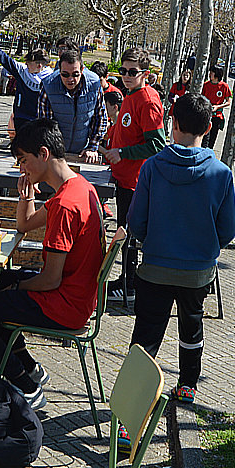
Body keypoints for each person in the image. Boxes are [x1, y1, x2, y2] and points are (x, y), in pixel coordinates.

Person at [0, 119, 105, 409]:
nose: (21, 169)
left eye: (23, 160)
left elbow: (50, 280)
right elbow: (25, 224)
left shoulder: (66, 205)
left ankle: (25, 386)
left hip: (65, 305)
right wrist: (26, 196)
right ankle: (29, 367)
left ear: (43, 154)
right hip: (78, 296)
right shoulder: (78, 187)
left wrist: (15, 289)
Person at [127, 92, 235, 407]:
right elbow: (228, 229)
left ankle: (132, 408)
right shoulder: (221, 173)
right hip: (197, 271)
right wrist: (206, 248)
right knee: (192, 325)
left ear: (172, 124)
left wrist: (152, 242)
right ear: (208, 128)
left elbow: (136, 221)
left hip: (155, 267)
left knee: (146, 337)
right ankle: (188, 384)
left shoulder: (152, 167)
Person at [99, 47, 166, 302]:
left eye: (132, 72)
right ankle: (126, 280)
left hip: (136, 182)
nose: (126, 76)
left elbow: (157, 144)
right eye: (123, 71)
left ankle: (129, 284)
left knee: (127, 234)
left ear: (145, 74)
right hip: (123, 178)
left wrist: (122, 153)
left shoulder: (148, 101)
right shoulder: (130, 94)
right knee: (123, 232)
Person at [35, 50, 108, 163]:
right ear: (59, 70)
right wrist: (53, 149)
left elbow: (100, 117)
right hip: (55, 149)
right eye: (65, 74)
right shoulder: (48, 86)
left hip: (83, 150)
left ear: (82, 70)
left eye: (75, 74)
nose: (70, 79)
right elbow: (45, 124)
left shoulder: (94, 84)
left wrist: (92, 147)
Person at [0, 30, 53, 136]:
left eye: (29, 63)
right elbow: (4, 59)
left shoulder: (51, 79)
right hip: (21, 117)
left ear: (39, 65)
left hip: (39, 120)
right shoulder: (22, 71)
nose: (26, 65)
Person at [201, 64, 232, 150]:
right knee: (204, 138)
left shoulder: (224, 86)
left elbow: (228, 102)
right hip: (206, 115)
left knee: (212, 138)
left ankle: (209, 152)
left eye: (212, 72)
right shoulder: (206, 85)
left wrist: (218, 107)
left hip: (217, 116)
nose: (210, 74)